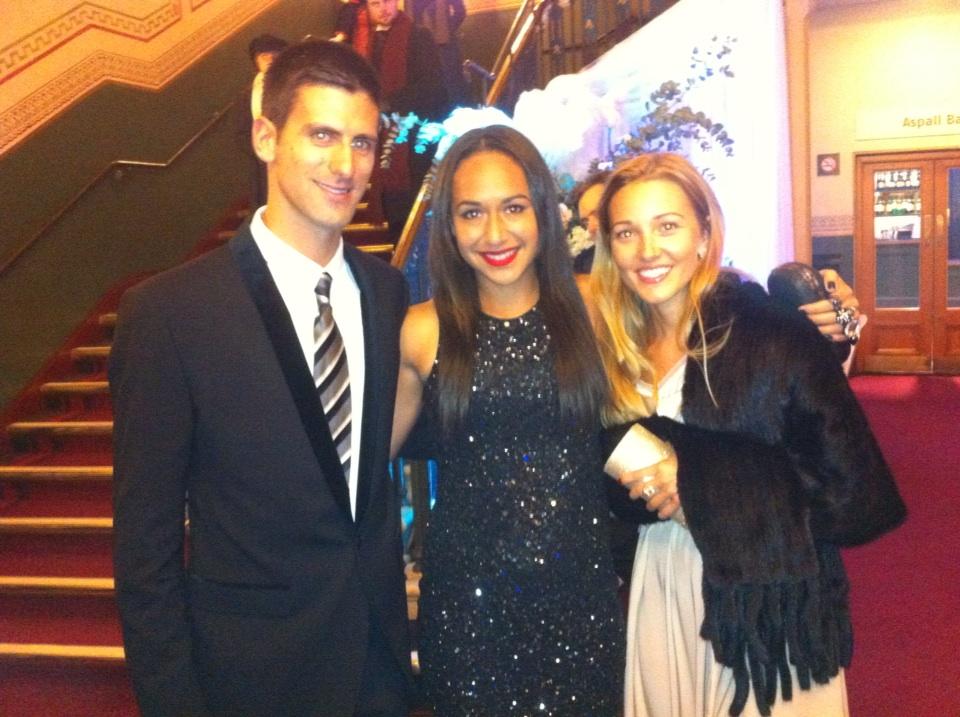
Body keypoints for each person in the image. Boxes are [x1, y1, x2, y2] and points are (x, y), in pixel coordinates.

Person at [111, 41, 411, 717]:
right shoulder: (171, 314)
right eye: (323, 135)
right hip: (252, 680)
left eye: (362, 142)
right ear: (265, 137)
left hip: (378, 671)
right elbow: (145, 551)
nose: (346, 165)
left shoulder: (388, 293)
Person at [588, 152, 906, 716]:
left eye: (667, 225)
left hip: (770, 607)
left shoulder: (771, 334)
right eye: (627, 232)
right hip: (664, 582)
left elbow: (859, 497)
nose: (647, 250)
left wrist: (703, 482)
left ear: (704, 232)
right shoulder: (616, 347)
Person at [392, 125, 625, 715]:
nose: (495, 233)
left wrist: (820, 315)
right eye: (472, 213)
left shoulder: (596, 307)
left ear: (542, 211)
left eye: (513, 207)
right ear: (449, 226)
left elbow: (699, 340)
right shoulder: (422, 330)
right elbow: (360, 464)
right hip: (467, 614)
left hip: (583, 605)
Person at [352, 0, 447, 232]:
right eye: (376, 4)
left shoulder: (419, 36)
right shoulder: (364, 43)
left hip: (414, 140)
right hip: (382, 139)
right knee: (394, 214)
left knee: (418, 214)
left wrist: (390, 104)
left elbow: (434, 88)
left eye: (388, 1)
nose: (384, 9)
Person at [238, 34, 289, 209]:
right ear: (256, 61)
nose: (269, 61)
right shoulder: (247, 95)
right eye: (264, 57)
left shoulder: (295, 88)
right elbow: (241, 132)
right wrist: (261, 150)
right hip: (261, 166)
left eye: (274, 56)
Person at [410, 0, 469, 108]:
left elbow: (460, 12)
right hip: (424, 47)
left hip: (443, 47)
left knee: (452, 88)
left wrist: (448, 29)